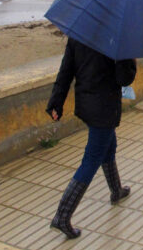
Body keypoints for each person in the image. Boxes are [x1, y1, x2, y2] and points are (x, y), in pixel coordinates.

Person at [46, 37, 137, 239]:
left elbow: (66, 70)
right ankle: (62, 216)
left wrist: (56, 101)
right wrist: (128, 56)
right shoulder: (116, 39)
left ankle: (116, 190)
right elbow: (124, 78)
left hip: (86, 104)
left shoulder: (80, 34)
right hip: (104, 108)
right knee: (91, 159)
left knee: (109, 145)